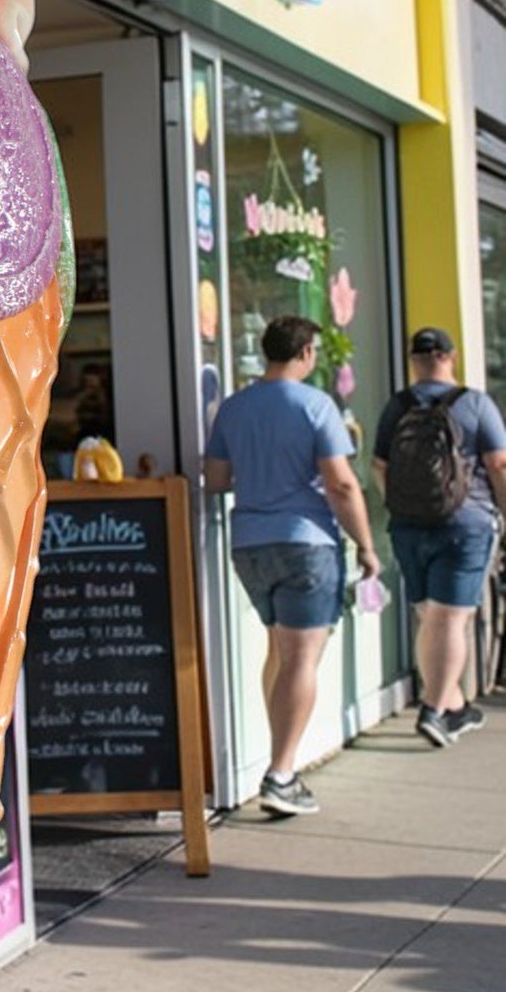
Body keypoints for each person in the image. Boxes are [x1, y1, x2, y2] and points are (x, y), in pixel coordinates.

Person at [205, 314, 380, 817]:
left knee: (279, 652)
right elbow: (343, 485)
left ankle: (279, 755)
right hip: (306, 542)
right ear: (304, 352)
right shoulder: (315, 405)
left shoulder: (233, 408)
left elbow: (216, 478)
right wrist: (366, 546)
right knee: (301, 659)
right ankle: (281, 773)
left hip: (249, 544)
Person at [372, 327, 506, 747]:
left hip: (410, 526)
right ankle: (434, 710)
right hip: (464, 524)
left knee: (429, 616)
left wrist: (403, 505)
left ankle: (453, 704)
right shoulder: (475, 404)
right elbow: (499, 465)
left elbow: (379, 467)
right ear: (451, 356)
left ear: (414, 360)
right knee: (451, 618)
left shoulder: (397, 406)